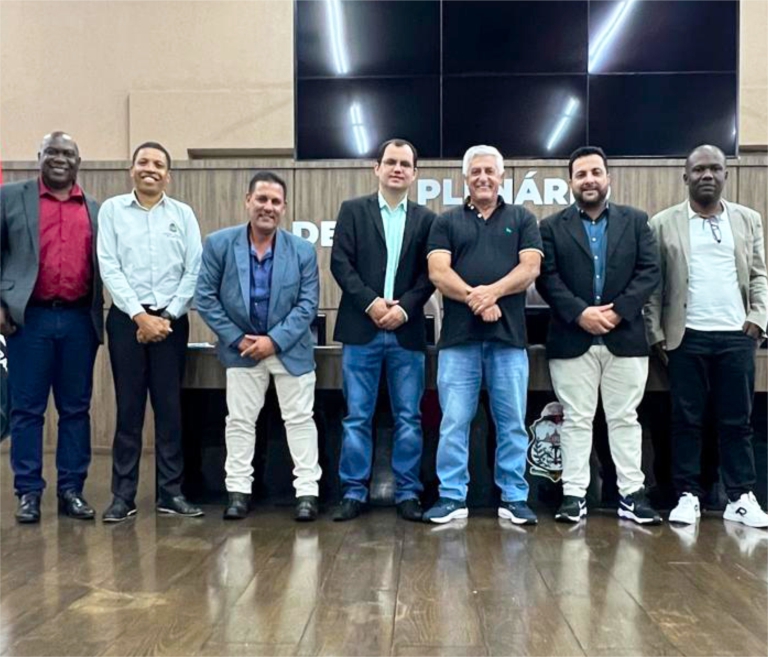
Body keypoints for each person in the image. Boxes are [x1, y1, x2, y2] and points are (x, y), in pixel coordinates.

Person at [536, 146, 662, 525]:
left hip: (625, 337)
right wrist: (581, 314)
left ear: (609, 178)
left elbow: (649, 271)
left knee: (625, 418)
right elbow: (547, 278)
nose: (588, 180)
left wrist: (617, 310)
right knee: (576, 420)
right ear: (570, 182)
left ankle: (631, 495)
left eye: (595, 172)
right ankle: (574, 496)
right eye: (581, 174)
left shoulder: (636, 221)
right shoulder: (550, 227)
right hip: (571, 339)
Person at [645, 144, 768, 528]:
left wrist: (758, 318)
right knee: (686, 420)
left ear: (726, 174)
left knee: (737, 421)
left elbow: (759, 274)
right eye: (699, 169)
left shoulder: (748, 219)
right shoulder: (662, 223)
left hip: (736, 335)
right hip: (686, 337)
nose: (707, 175)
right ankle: (687, 495)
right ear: (686, 177)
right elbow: (653, 286)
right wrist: (655, 333)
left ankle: (740, 496)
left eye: (715, 168)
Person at [423, 145, 542, 525]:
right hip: (459, 342)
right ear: (466, 178)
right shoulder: (446, 222)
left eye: (490, 171)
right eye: (476, 171)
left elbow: (530, 269)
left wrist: (491, 293)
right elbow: (438, 273)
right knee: (454, 423)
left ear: (502, 176)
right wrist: (478, 300)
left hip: (509, 342)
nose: (483, 177)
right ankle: (451, 497)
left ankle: (514, 497)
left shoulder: (522, 218)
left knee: (512, 424)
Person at [196, 171, 322, 521]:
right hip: (243, 349)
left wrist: (274, 340)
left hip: (290, 350)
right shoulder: (219, 244)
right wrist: (239, 339)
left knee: (300, 420)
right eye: (262, 199)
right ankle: (238, 492)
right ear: (247, 201)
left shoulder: (302, 250)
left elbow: (308, 304)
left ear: (284, 207)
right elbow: (205, 298)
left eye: (275, 201)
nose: (268, 207)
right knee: (239, 421)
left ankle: (307, 493)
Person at [330, 138, 435, 522]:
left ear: (414, 173)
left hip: (406, 332)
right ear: (377, 168)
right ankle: (353, 492)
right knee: (357, 416)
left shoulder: (427, 219)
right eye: (390, 162)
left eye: (405, 164)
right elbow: (340, 264)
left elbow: (430, 275)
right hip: (362, 329)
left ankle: (408, 493)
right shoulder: (353, 210)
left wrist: (404, 309)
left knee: (409, 417)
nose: (397, 169)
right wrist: (371, 303)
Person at [0, 131, 103, 523]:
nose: (60, 159)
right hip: (29, 320)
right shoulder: (11, 197)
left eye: (68, 153)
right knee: (27, 410)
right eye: (53, 152)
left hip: (79, 320)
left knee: (76, 409)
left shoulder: (95, 209)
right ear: (39, 156)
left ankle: (71, 490)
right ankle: (28, 492)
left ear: (78, 162)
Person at [97, 141, 203, 522]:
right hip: (126, 321)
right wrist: (140, 317)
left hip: (172, 322)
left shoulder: (183, 214)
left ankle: (170, 493)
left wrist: (167, 317)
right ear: (132, 169)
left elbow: (194, 269)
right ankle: (122, 496)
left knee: (169, 409)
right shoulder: (112, 211)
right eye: (143, 162)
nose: (150, 169)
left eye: (158, 164)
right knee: (128, 410)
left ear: (168, 175)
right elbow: (109, 266)